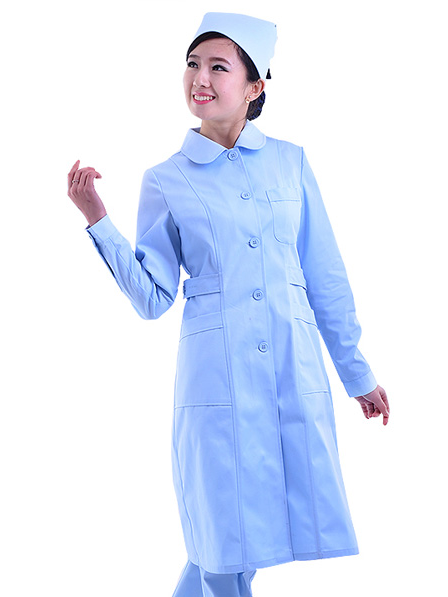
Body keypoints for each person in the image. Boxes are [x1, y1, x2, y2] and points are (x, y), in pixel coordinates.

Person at [67, 12, 390, 597]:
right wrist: (98, 220)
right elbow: (152, 298)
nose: (200, 78)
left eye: (219, 67)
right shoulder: (167, 179)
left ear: (254, 85)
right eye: (193, 64)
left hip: (290, 367)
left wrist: (357, 373)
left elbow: (325, 276)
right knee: (220, 540)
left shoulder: (290, 162)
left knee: (240, 546)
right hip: (215, 378)